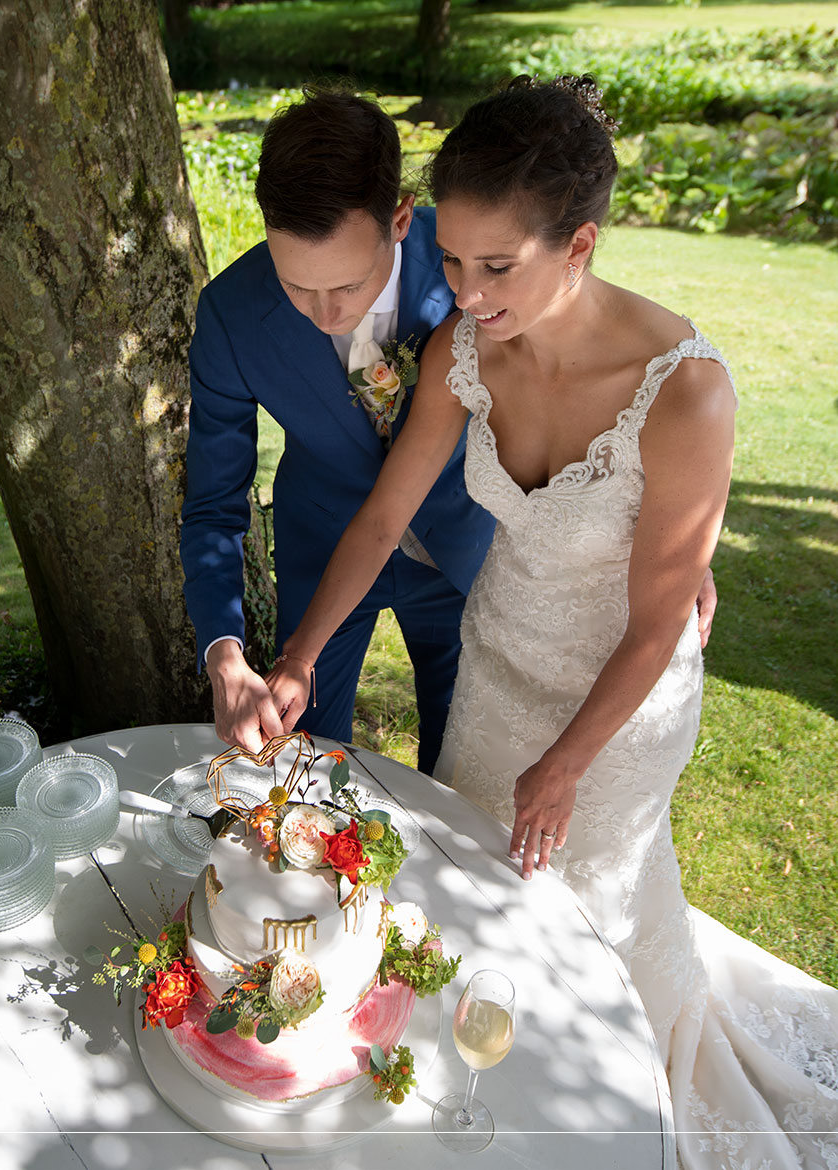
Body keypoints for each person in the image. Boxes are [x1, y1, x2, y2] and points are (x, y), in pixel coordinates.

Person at [267, 75, 837, 1168]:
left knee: (586, 941)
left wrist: (572, 762)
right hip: (500, 665)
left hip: (621, 711)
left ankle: (610, 1124)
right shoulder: (465, 350)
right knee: (484, 920)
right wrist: (299, 658)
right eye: (451, 260)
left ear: (577, 244)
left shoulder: (686, 392)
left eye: (497, 267)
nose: (466, 294)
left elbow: (663, 615)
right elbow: (386, 514)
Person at [180, 88, 495, 773]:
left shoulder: (474, 264)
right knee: (304, 767)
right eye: (297, 287)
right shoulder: (231, 314)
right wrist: (223, 650)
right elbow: (212, 503)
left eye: (348, 286)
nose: (325, 313)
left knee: (467, 764)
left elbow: (579, 377)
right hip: (322, 553)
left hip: (463, 548)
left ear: (403, 218)